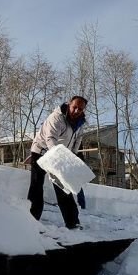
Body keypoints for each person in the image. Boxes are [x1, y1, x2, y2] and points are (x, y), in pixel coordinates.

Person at [27, 96, 88, 229]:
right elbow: (50, 139)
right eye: (75, 107)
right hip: (41, 152)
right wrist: (59, 158)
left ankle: (73, 223)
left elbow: (76, 142)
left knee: (63, 187)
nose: (77, 110)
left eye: (80, 109)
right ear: (69, 104)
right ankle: (32, 220)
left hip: (60, 155)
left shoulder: (80, 123)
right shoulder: (56, 117)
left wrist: (71, 158)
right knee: (37, 185)